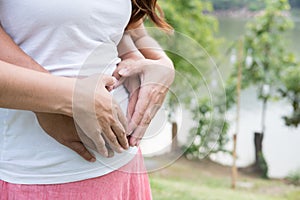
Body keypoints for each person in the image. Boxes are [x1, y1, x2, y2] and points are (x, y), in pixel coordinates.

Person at [0, 0, 174, 199]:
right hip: (42, 177)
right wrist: (65, 98)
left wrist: (160, 63)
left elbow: (130, 30)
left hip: (125, 169)